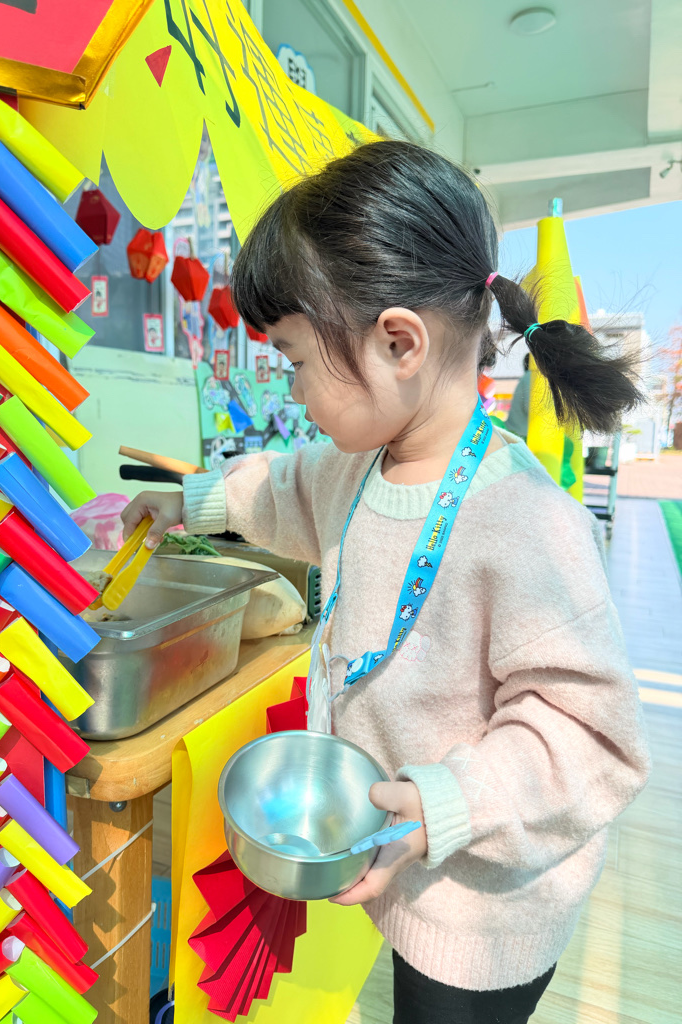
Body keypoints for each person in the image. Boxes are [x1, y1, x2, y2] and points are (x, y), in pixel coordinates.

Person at [122, 141, 649, 1024]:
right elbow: (286, 489)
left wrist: (451, 802)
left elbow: (591, 737)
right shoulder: (360, 465)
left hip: (484, 906)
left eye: (295, 360)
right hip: (409, 864)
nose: (294, 391)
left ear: (398, 343)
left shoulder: (527, 522)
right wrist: (192, 503)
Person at [505, 353, 532, 439]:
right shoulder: (531, 377)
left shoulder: (526, 377)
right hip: (521, 434)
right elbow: (530, 407)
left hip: (517, 431)